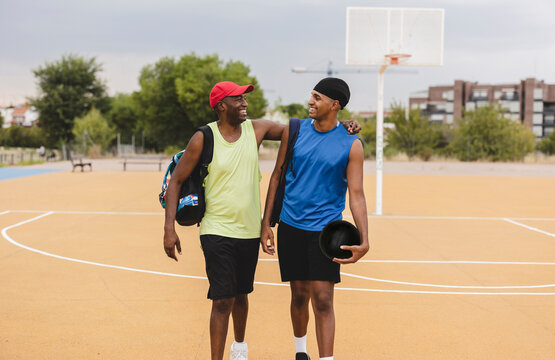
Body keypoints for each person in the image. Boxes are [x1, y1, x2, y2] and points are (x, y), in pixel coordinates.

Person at [163, 81, 361, 360]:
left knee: (241, 293)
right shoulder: (204, 137)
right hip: (215, 228)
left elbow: (302, 130)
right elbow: (177, 181)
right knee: (222, 299)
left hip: (248, 230)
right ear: (222, 106)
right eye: (238, 99)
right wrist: (168, 228)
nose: (245, 103)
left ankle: (240, 347)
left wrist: (343, 124)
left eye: (245, 98)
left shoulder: (256, 129)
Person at [260, 77, 369, 360]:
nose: (311, 101)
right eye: (311, 95)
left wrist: (365, 239)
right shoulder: (294, 131)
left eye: (317, 97)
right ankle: (300, 352)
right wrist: (266, 224)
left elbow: (356, 194)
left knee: (323, 299)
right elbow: (276, 176)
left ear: (334, 105)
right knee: (298, 296)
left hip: (326, 231)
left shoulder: (351, 144)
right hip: (291, 225)